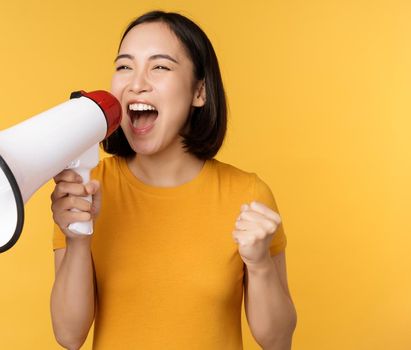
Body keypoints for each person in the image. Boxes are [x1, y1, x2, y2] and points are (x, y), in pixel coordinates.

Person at [49, 11, 296, 349]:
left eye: (160, 66)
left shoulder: (248, 194)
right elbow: (68, 336)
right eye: (125, 66)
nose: (137, 83)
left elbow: (278, 341)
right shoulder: (86, 190)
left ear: (200, 92)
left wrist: (260, 264)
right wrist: (77, 238)